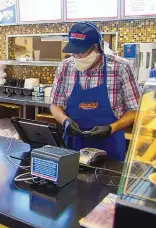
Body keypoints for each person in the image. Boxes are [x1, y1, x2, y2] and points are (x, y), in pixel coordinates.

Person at [50, 22, 140, 161]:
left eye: (82, 52)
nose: (77, 57)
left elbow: (135, 111)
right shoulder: (65, 68)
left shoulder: (121, 68)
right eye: (74, 53)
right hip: (73, 145)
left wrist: (111, 128)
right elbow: (55, 105)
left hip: (110, 145)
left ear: (96, 48)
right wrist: (65, 121)